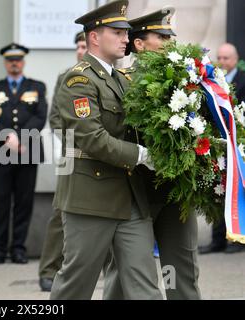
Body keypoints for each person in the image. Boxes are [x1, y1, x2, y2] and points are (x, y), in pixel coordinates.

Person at [49, 0, 162, 300]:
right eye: (118, 32)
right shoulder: (78, 80)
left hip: (130, 199)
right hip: (91, 198)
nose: (126, 38)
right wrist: (140, 155)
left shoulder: (122, 80)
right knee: (76, 284)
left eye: (126, 32)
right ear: (95, 37)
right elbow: (91, 138)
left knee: (145, 286)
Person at [102, 8, 201, 300]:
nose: (169, 42)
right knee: (127, 271)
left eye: (171, 36)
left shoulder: (187, 80)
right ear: (139, 44)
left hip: (175, 192)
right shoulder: (119, 81)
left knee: (181, 268)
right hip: (133, 191)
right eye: (161, 36)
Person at [0, 43, 47, 265]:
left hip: (27, 151)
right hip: (0, 152)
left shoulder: (37, 87)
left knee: (24, 202)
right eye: (11, 59)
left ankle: (19, 248)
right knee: (0, 201)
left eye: (18, 59)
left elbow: (40, 116)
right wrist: (6, 137)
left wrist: (20, 137)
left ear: (23, 62)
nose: (15, 63)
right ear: (5, 62)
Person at [38, 31, 87, 292]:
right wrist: (75, 142)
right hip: (74, 153)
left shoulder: (114, 74)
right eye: (78, 46)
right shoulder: (66, 77)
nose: (81, 50)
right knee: (61, 212)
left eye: (84, 45)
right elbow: (55, 117)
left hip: (105, 154)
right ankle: (48, 270)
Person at [198, 42, 245, 254]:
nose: (223, 62)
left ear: (235, 59)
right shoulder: (212, 80)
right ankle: (218, 240)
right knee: (219, 188)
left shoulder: (243, 80)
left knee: (238, 188)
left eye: (227, 58)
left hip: (239, 141)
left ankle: (238, 239)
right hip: (219, 142)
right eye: (220, 57)